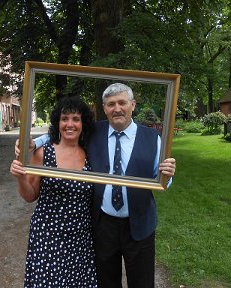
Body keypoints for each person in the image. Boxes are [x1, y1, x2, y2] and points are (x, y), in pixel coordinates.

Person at [15, 83, 176, 288]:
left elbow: (160, 177)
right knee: (106, 281)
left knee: (142, 282)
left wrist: (167, 175)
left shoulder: (153, 138)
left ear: (132, 105)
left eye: (122, 103)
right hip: (103, 225)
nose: (117, 108)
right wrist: (33, 142)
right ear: (104, 108)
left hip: (140, 223)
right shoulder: (94, 131)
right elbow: (63, 132)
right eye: (111, 104)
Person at [10, 97, 98, 288]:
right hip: (48, 236)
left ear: (83, 123)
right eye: (64, 118)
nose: (70, 124)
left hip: (80, 238)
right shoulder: (43, 153)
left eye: (76, 119)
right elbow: (30, 195)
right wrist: (20, 177)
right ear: (57, 122)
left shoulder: (91, 155)